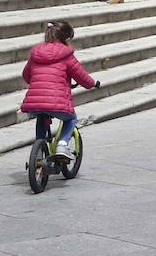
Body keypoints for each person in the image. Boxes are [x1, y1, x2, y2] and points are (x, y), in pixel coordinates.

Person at [21, 21, 100, 164]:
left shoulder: (35, 53)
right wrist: (93, 84)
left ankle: (40, 147)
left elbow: (26, 76)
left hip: (35, 102)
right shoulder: (66, 54)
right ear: (66, 38)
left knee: (41, 116)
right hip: (57, 102)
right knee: (71, 119)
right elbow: (81, 76)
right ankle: (62, 145)